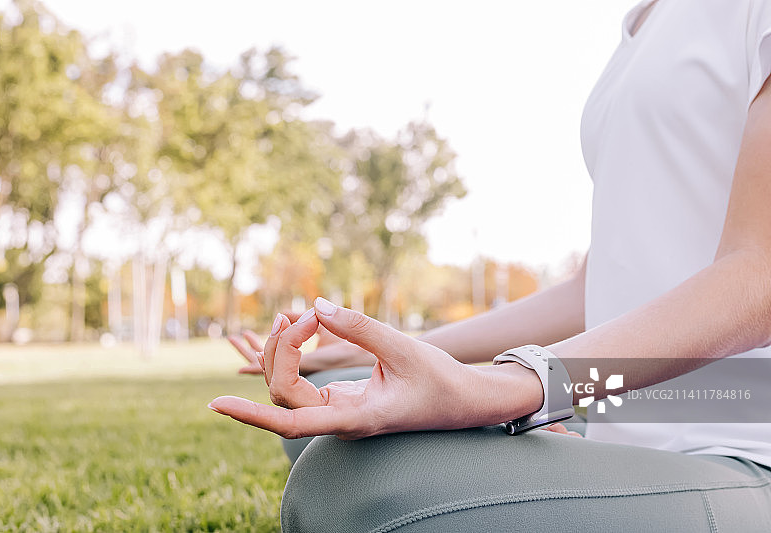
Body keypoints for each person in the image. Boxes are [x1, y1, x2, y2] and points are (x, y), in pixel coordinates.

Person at [209, 0, 771, 530]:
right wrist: (377, 350)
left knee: (344, 486)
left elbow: (760, 274)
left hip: (744, 439)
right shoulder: (644, 22)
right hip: (616, 413)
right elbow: (589, 289)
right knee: (340, 396)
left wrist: (523, 385)